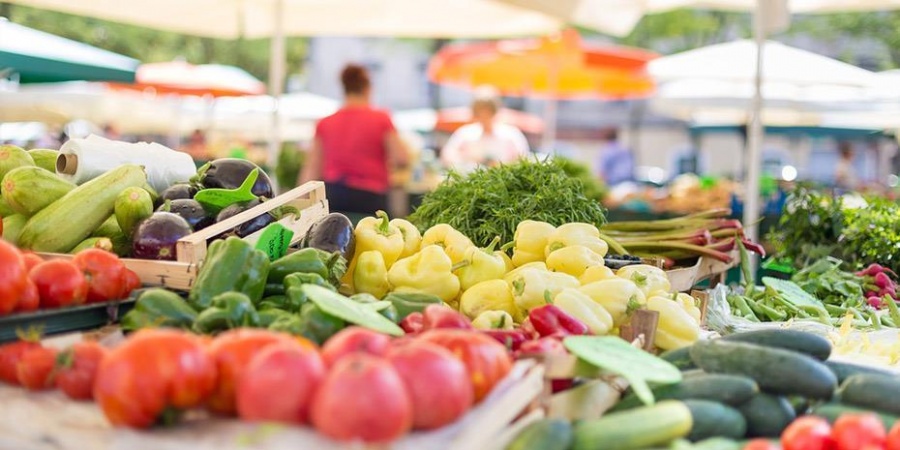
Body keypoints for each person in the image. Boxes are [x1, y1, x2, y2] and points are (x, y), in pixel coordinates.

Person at [299, 64, 409, 215]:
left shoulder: (325, 123)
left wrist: (300, 204)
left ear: (344, 88)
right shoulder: (381, 119)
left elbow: (312, 168)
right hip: (370, 197)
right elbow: (401, 159)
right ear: (367, 88)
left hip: (334, 195)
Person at [439, 87, 529, 173]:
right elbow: (447, 155)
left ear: (494, 111)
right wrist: (469, 159)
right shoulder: (465, 134)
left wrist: (502, 165)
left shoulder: (511, 135)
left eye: (488, 112)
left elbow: (523, 160)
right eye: (480, 113)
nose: (484, 116)